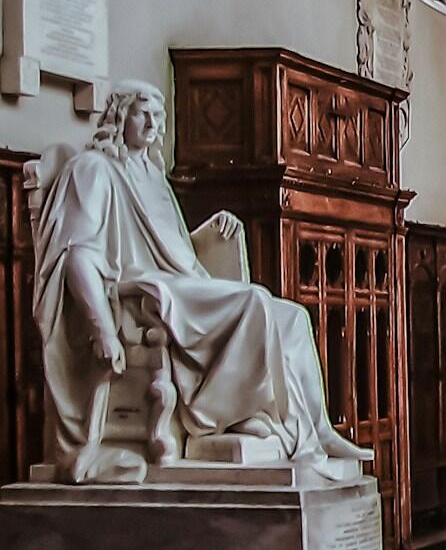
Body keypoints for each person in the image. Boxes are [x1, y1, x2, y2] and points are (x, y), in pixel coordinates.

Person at [32, 81, 373, 484]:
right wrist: (102, 329)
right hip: (140, 296)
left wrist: (212, 232)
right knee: (254, 303)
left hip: (176, 285)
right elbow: (80, 255)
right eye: (143, 113)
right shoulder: (93, 170)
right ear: (119, 115)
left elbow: (178, 252)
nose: (153, 123)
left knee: (292, 317)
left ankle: (316, 430)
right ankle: (229, 415)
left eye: (159, 115)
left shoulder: (152, 177)